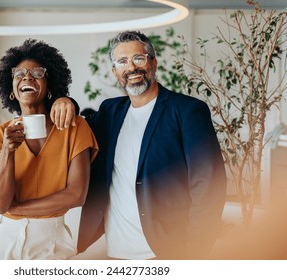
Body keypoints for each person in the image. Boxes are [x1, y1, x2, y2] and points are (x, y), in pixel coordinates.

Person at [51, 30, 227, 259]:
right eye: (122, 61)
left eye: (139, 58)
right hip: (116, 252)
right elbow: (76, 125)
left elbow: (209, 185)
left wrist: (194, 252)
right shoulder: (109, 112)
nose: (131, 67)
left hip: (167, 251)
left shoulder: (187, 111)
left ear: (153, 63)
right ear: (115, 72)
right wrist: (65, 100)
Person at [0, 38, 98, 260]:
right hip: (2, 239)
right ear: (11, 90)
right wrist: (8, 150)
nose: (27, 77)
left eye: (37, 73)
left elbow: (76, 195)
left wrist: (15, 208)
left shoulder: (75, 127)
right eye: (19, 74)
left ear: (49, 86)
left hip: (51, 240)